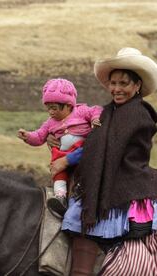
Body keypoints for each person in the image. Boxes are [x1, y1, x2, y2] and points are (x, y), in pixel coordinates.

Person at [49, 48, 157, 275]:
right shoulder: (109, 111)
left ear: (137, 86)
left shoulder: (136, 114)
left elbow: (103, 149)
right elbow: (91, 140)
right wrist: (60, 140)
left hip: (126, 179)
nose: (116, 89)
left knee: (82, 221)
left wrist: (66, 161)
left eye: (124, 83)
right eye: (113, 83)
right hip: (110, 174)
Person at [18, 78, 102, 216]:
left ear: (68, 105)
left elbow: (96, 110)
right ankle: (60, 198)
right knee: (58, 175)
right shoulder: (50, 123)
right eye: (48, 108)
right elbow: (39, 136)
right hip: (62, 156)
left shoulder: (81, 111)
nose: (51, 112)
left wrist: (95, 119)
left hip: (81, 152)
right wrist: (28, 136)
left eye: (54, 108)